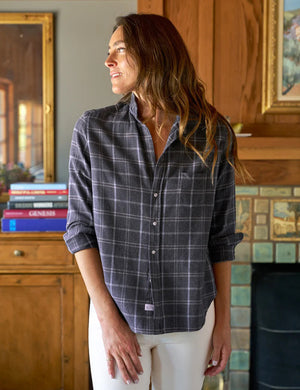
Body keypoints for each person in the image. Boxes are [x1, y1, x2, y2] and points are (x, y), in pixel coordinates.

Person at [64, 13, 248, 390]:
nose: (108, 61)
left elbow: (221, 237)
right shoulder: (93, 131)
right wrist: (107, 321)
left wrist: (224, 323)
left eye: (119, 50)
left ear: (153, 53)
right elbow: (80, 231)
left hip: (190, 320)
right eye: (108, 51)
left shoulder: (213, 134)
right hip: (117, 317)